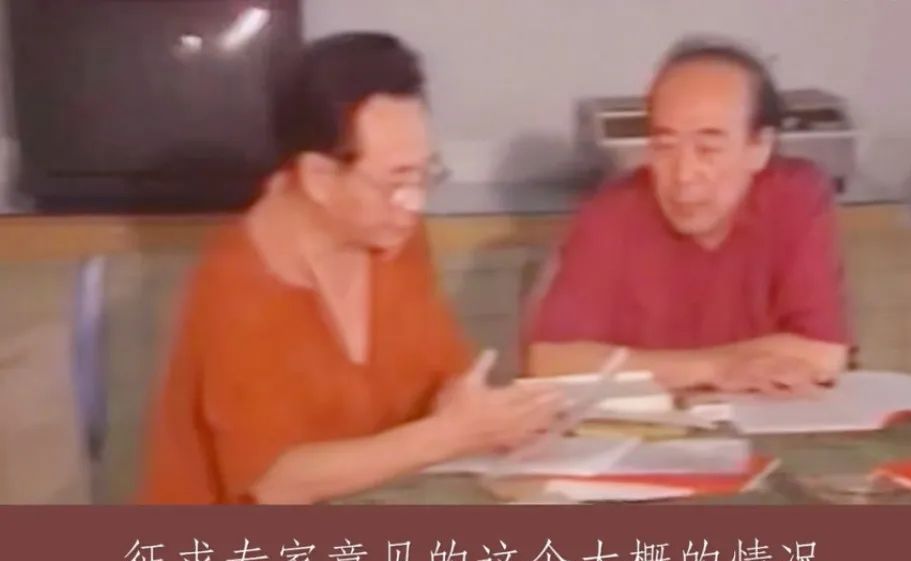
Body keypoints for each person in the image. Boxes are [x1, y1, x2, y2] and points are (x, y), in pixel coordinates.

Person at [138, 32, 561, 504]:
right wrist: (451, 434)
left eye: (426, 175)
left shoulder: (390, 233)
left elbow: (441, 375)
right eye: (396, 182)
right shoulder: (237, 282)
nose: (414, 203)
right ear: (319, 177)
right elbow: (277, 481)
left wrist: (477, 408)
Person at [526, 39, 851, 394]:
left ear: (759, 147)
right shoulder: (611, 211)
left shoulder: (796, 194)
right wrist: (713, 369)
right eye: (665, 146)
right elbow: (550, 362)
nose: (683, 175)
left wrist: (650, 368)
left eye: (708, 149)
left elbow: (822, 354)